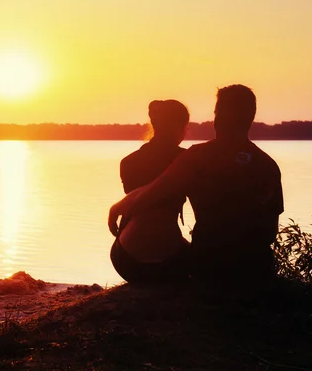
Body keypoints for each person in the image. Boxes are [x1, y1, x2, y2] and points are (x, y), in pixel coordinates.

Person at [108, 85, 284, 282]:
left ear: (218, 117)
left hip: (209, 266)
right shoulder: (268, 165)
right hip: (254, 269)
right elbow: (270, 232)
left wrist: (117, 207)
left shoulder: (198, 157)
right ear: (251, 118)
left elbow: (151, 193)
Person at [110, 99, 191, 283]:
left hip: (127, 261)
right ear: (180, 126)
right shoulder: (188, 161)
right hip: (170, 263)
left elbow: (135, 208)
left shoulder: (128, 162)